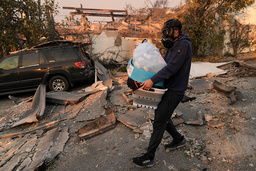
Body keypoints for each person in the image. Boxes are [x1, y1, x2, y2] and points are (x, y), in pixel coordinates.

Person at [132, 19, 192, 168]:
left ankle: (149, 157)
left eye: (167, 31)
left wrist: (152, 80)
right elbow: (162, 66)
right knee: (162, 116)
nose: (165, 35)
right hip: (167, 87)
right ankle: (178, 139)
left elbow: (171, 68)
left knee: (159, 120)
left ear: (176, 31)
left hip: (175, 90)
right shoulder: (172, 46)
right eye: (164, 32)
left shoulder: (183, 45)